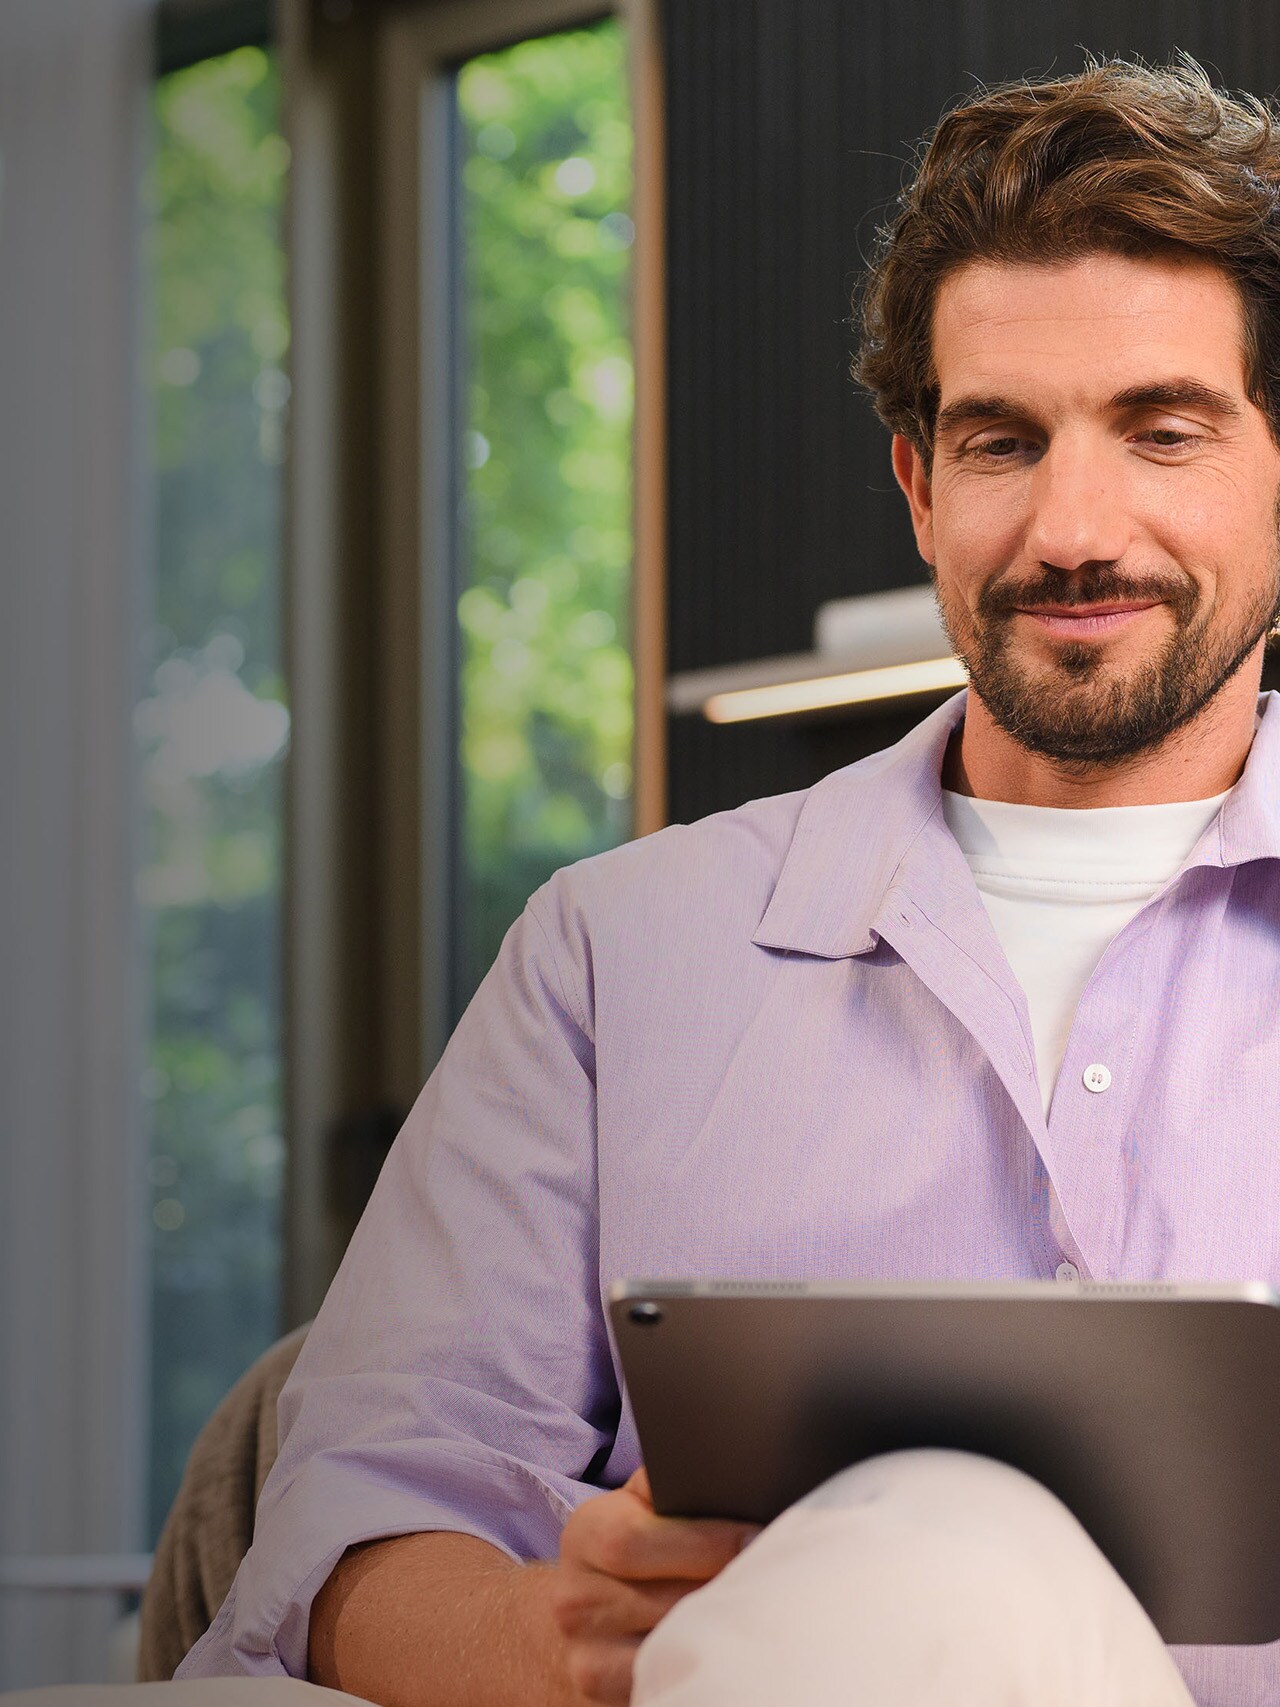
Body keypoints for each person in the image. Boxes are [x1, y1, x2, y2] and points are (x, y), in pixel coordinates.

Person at [180, 55, 1280, 1705]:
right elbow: (342, 1547)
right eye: (999, 442)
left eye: (1162, 432)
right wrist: (556, 1641)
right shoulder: (617, 955)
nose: (1073, 527)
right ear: (919, 489)